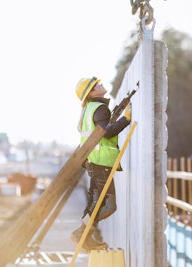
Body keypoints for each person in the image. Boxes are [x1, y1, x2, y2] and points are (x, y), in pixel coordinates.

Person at [70, 76, 131, 253]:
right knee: (107, 205)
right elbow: (108, 133)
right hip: (101, 163)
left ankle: (84, 235)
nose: (101, 85)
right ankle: (82, 233)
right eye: (97, 84)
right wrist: (126, 118)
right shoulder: (100, 108)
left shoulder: (89, 109)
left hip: (94, 162)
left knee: (94, 203)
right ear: (92, 92)